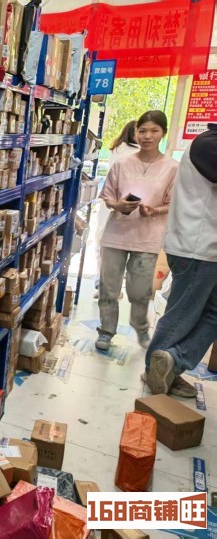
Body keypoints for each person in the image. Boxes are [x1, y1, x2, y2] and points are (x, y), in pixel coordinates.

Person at [143, 124, 217, 397]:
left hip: (204, 247)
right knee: (182, 315)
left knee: (211, 314)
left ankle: (171, 363)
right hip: (197, 247)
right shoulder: (209, 144)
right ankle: (156, 370)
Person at [95, 111, 178, 352]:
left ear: (163, 133)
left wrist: (155, 210)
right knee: (108, 288)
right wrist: (118, 205)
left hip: (148, 238)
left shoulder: (172, 168)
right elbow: (107, 196)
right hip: (116, 235)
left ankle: (141, 328)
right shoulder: (122, 164)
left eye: (154, 131)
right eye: (142, 131)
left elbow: (174, 202)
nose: (147, 136)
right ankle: (106, 331)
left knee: (139, 291)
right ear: (135, 133)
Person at [94, 121, 140, 299]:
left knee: (104, 246)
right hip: (126, 204)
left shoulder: (116, 149)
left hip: (111, 203)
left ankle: (103, 285)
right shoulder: (135, 153)